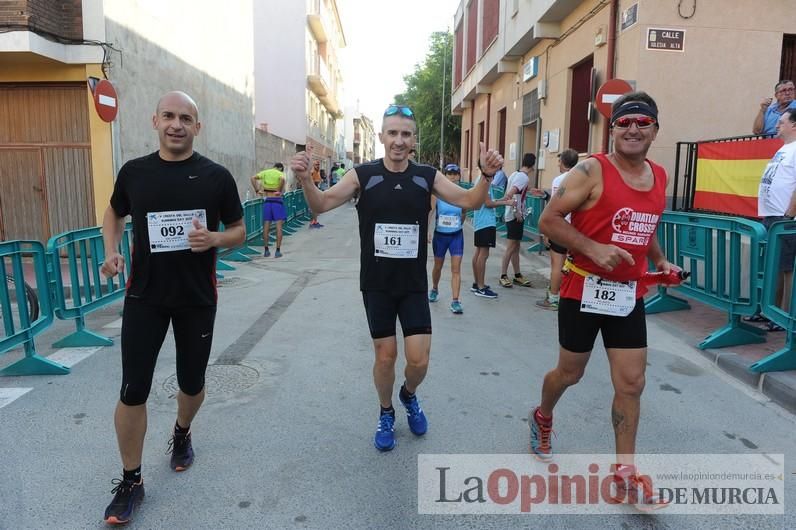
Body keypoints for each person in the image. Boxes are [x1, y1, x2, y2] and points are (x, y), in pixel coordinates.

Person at [290, 104, 503, 452]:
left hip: (412, 284)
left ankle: (408, 394)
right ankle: (386, 411)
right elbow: (322, 204)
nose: (399, 141)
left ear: (414, 139)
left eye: (406, 134)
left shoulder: (426, 176)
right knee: (386, 357)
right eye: (392, 133)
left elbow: (470, 200)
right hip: (377, 284)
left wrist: (486, 175)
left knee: (418, 361)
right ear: (381, 136)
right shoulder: (363, 175)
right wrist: (304, 180)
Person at [99, 91, 245, 525]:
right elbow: (114, 213)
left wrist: (215, 239)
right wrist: (111, 251)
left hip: (196, 298)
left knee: (192, 382)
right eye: (168, 116)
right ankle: (131, 480)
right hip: (144, 297)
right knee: (133, 389)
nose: (176, 124)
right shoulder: (134, 172)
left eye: (185, 118)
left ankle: (182, 431)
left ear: (197, 127)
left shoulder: (216, 177)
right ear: (155, 120)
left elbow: (238, 230)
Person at [530, 91, 674, 510]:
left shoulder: (659, 176)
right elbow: (548, 220)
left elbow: (646, 227)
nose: (633, 129)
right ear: (612, 130)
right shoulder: (591, 170)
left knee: (631, 383)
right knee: (569, 373)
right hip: (584, 288)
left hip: (627, 295)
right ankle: (542, 415)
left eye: (642, 122)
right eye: (624, 122)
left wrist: (661, 262)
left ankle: (625, 473)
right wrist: (593, 248)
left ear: (655, 130)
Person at [757, 108, 796, 327]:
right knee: (774, 267)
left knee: (786, 267)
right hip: (772, 216)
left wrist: (789, 215)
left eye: (782, 122)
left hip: (784, 219)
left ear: (794, 125)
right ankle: (770, 311)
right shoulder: (784, 148)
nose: (777, 125)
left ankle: (784, 316)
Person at [536, 148, 579, 310]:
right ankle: (569, 297)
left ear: (563, 162)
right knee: (573, 266)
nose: (558, 164)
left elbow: (553, 206)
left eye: (559, 161)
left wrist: (546, 231)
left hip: (560, 227)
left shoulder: (559, 180)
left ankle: (553, 298)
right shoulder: (582, 178)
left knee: (557, 265)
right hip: (577, 229)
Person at [429, 164, 468, 313]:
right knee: (438, 266)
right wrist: (426, 231)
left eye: (455, 173)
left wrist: (457, 225)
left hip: (456, 236)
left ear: (459, 176)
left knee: (456, 269)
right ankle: (434, 289)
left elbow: (464, 213)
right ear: (444, 175)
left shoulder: (463, 194)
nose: (452, 176)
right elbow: (430, 212)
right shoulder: (437, 194)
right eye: (449, 173)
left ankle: (455, 301)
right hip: (440, 236)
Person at [471, 165, 512, 299]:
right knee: (483, 254)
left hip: (480, 221)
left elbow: (487, 201)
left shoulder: (480, 179)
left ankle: (477, 284)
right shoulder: (485, 181)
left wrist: (502, 199)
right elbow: (488, 203)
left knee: (478, 253)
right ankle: (481, 287)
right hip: (486, 221)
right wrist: (506, 203)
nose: (497, 172)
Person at [499, 153, 535, 288]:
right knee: (511, 247)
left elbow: (514, 192)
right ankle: (503, 275)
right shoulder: (524, 178)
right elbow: (512, 193)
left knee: (516, 247)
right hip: (515, 216)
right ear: (533, 165)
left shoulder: (515, 174)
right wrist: (517, 211)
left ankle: (517, 275)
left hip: (511, 214)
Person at [250, 162, 286, 257]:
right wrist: (279, 190)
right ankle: (277, 251)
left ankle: (266, 250)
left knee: (266, 227)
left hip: (267, 201)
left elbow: (252, 178)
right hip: (277, 201)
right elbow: (282, 179)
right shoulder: (280, 173)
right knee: (279, 227)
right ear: (280, 168)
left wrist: (257, 190)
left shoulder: (265, 172)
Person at [309, 161, 324, 228]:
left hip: (316, 189)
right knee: (313, 207)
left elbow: (318, 180)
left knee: (315, 207)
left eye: (318, 164)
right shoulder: (312, 172)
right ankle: (312, 222)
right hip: (313, 190)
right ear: (313, 165)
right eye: (316, 165)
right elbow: (311, 181)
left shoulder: (317, 171)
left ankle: (315, 221)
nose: (318, 166)